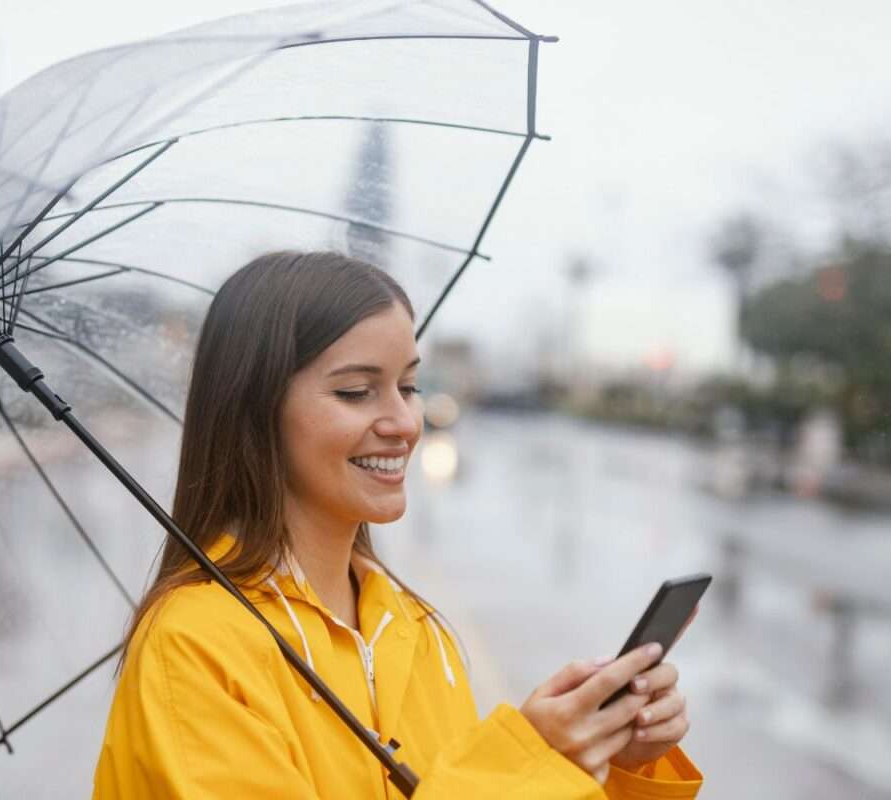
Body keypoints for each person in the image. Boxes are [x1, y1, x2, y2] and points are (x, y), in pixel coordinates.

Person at [93, 251, 703, 798]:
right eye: (357, 392)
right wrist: (529, 770)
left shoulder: (414, 628)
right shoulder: (195, 649)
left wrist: (611, 767)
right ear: (256, 411)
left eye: (408, 386)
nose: (405, 422)